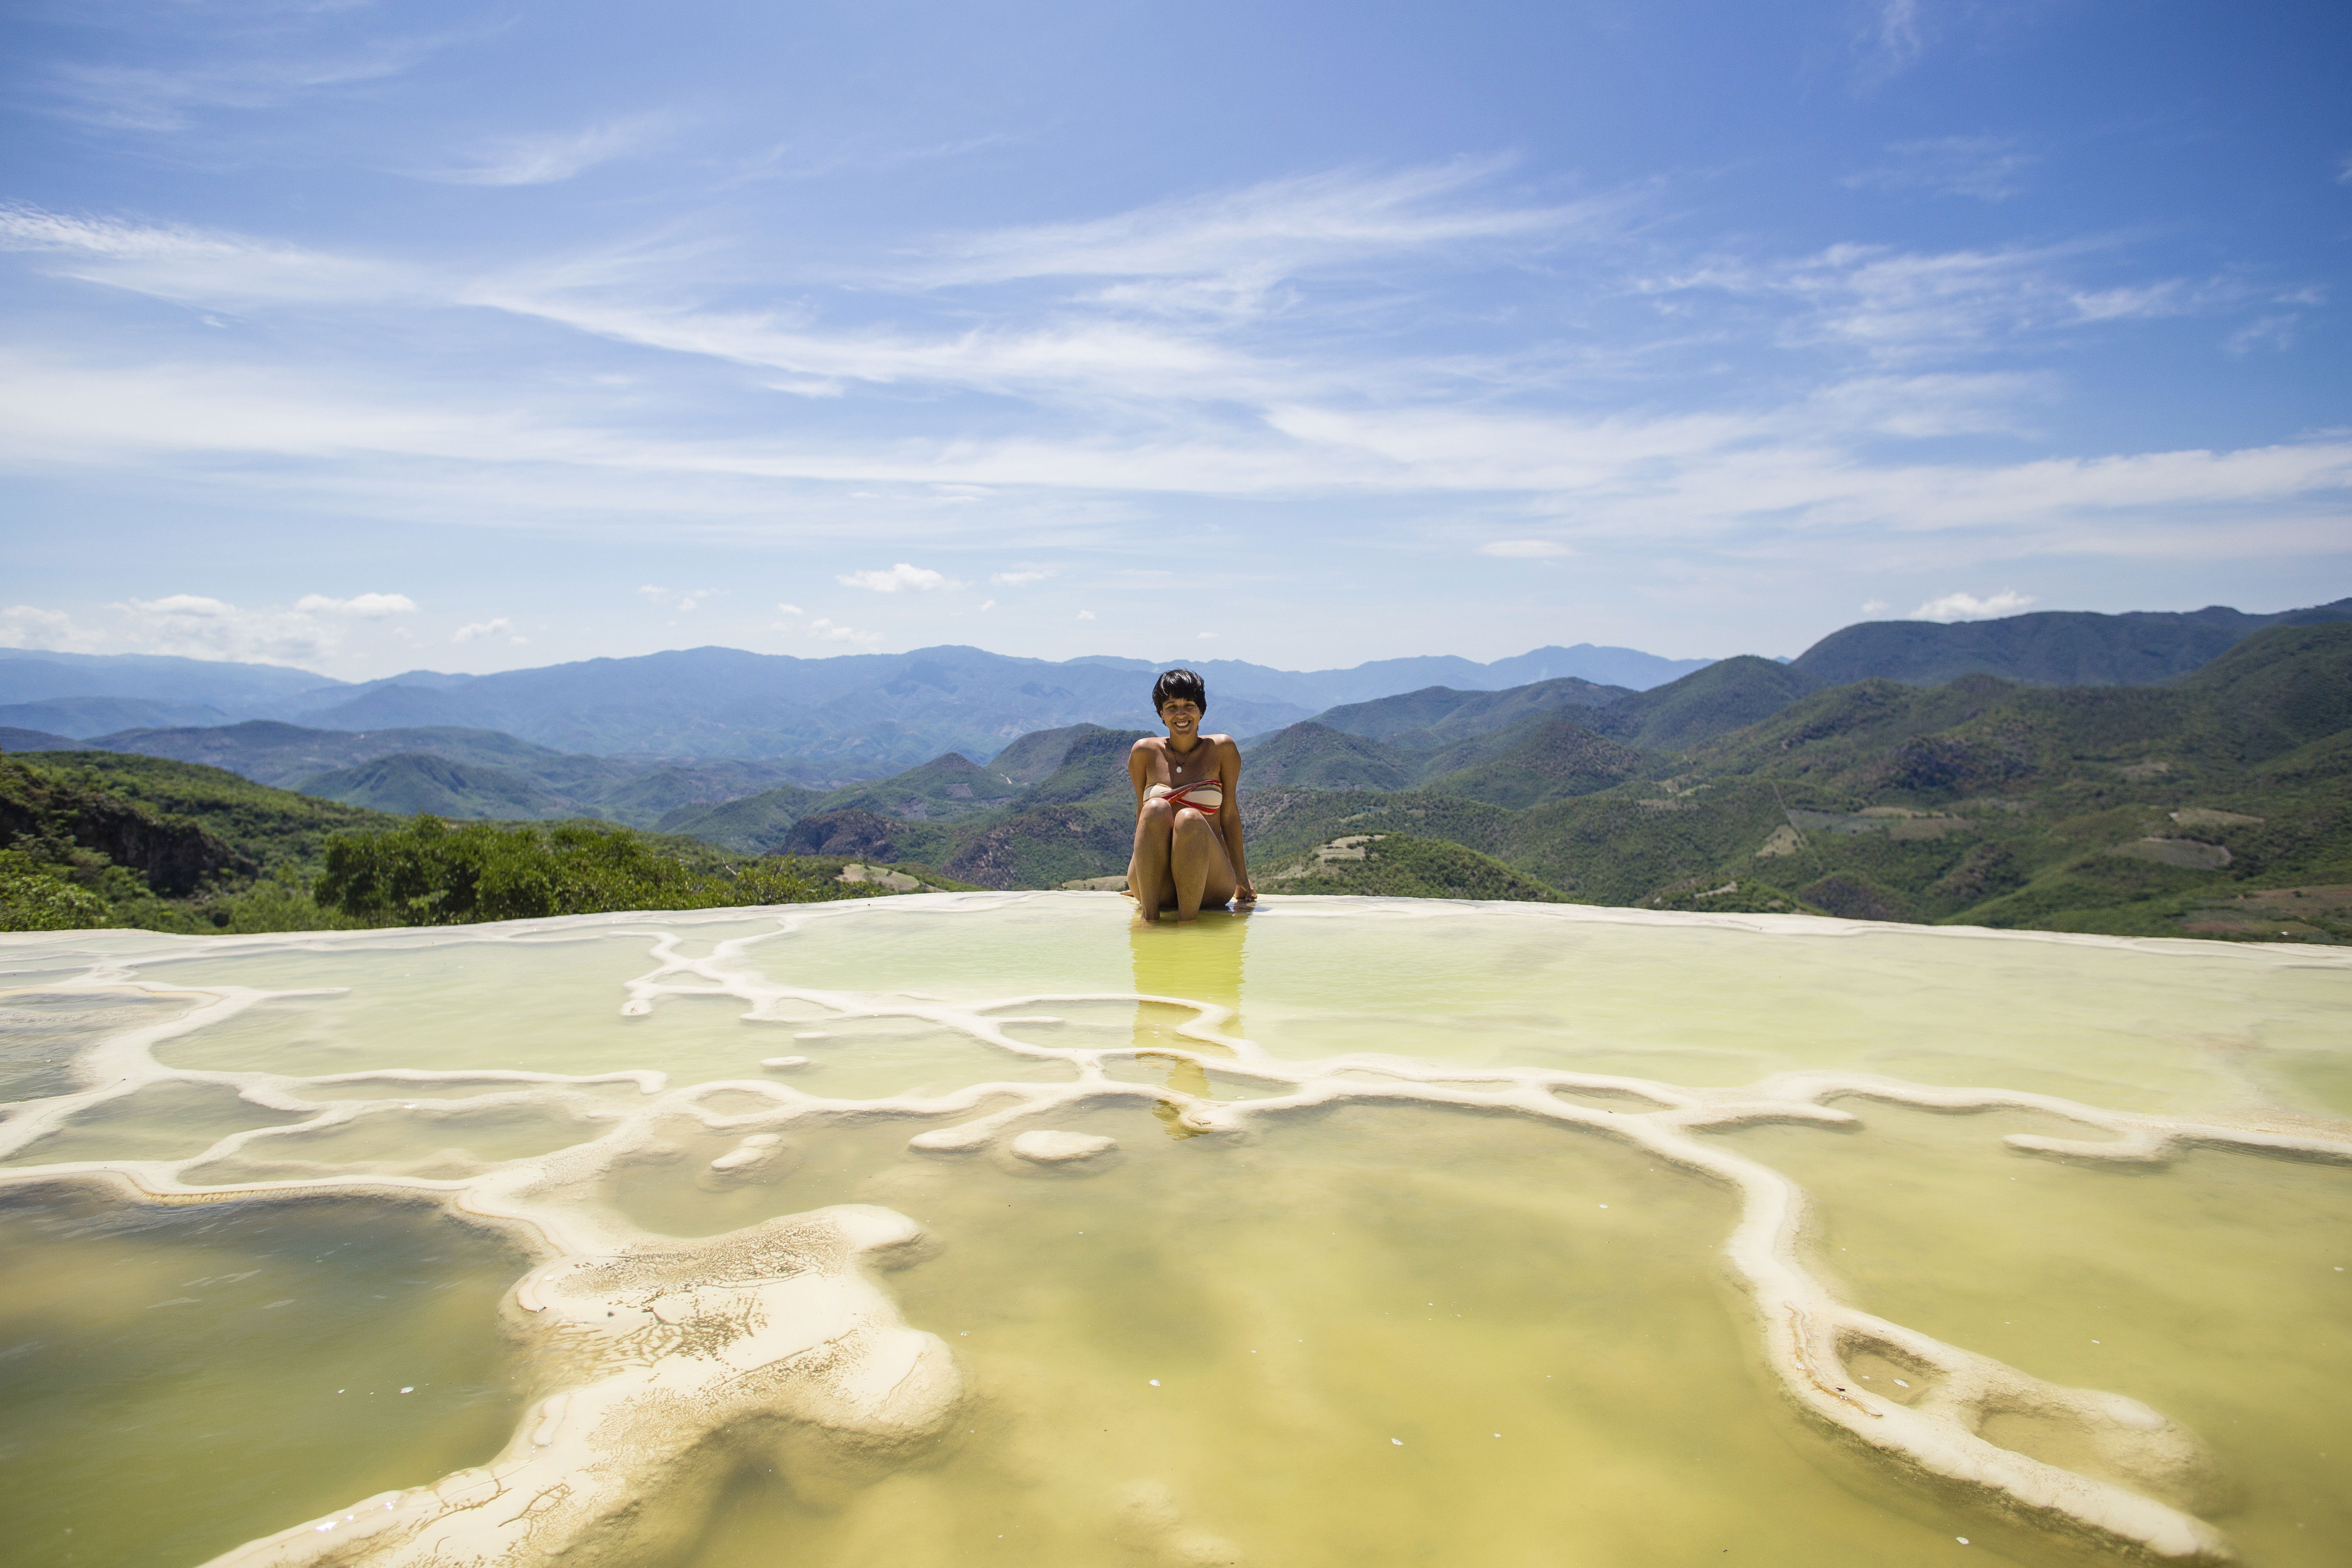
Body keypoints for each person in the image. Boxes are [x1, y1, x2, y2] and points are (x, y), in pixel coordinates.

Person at [1127, 668, 1255, 922]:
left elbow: (1229, 815)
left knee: (1189, 819)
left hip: (1209, 880)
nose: (1181, 714)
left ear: (1201, 710)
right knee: (1154, 809)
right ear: (1161, 714)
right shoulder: (1144, 752)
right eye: (1171, 706)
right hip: (1157, 883)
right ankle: (1149, 919)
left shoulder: (1223, 749)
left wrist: (1242, 878)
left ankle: (1189, 924)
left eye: (1189, 705)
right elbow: (1142, 818)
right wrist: (1142, 876)